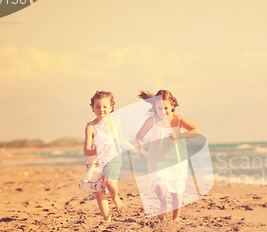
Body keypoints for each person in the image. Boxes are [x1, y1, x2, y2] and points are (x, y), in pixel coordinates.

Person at [136, 90, 201, 221]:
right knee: (159, 185)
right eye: (159, 108)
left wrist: (179, 135)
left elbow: (196, 131)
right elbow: (139, 135)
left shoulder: (178, 119)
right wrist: (141, 147)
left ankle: (175, 217)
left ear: (172, 104)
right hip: (157, 159)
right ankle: (163, 205)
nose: (163, 111)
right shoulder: (152, 120)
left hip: (177, 160)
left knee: (176, 191)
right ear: (155, 107)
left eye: (165, 108)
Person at [78, 90, 140, 222]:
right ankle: (107, 218)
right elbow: (86, 150)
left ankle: (115, 197)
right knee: (100, 191)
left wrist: (136, 150)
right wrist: (97, 150)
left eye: (105, 107)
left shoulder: (116, 122)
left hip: (113, 158)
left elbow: (121, 140)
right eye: (98, 107)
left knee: (109, 181)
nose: (101, 109)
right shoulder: (91, 127)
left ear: (111, 108)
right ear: (93, 108)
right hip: (96, 162)